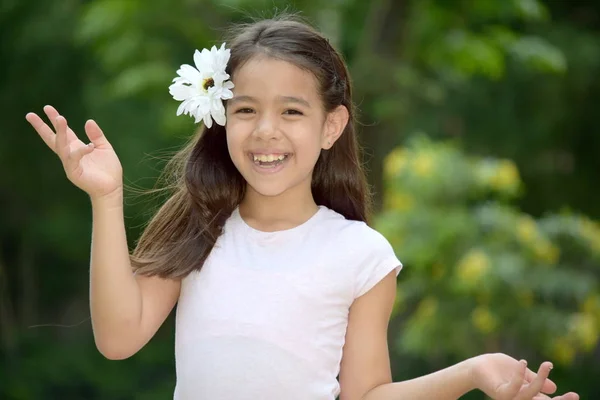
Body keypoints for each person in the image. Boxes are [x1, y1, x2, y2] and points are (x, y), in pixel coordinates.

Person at [25, 15, 579, 400]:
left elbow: (367, 394)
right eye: (245, 109)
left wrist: (475, 371)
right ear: (220, 116)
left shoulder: (361, 255)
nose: (266, 131)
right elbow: (118, 339)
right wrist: (106, 197)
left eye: (291, 111)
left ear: (330, 125)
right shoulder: (201, 229)